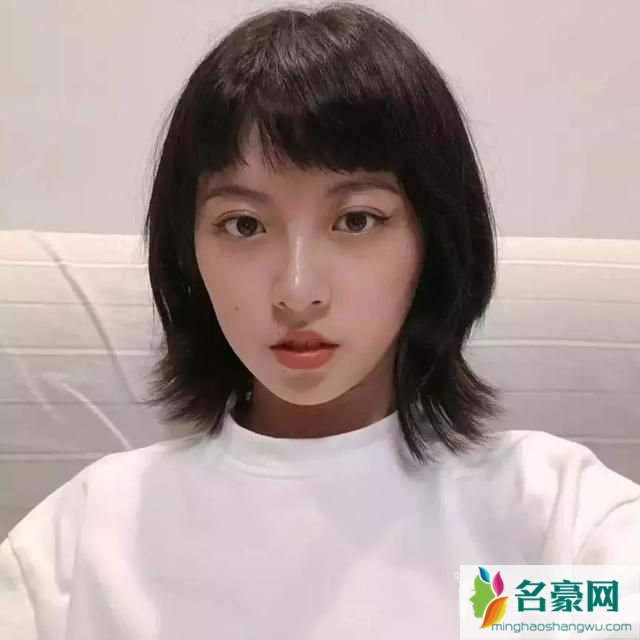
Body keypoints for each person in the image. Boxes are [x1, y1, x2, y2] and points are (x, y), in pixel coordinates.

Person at [2, 3, 639, 638]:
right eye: (243, 225)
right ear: (187, 252)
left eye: (356, 220)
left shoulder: (554, 521)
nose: (298, 291)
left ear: (435, 239)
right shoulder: (87, 541)